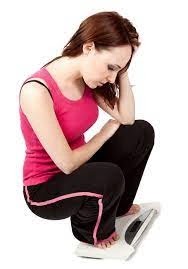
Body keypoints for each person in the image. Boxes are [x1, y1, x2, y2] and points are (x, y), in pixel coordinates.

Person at [18, 11, 155, 249]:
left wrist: (122, 69)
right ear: (89, 47)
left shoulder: (88, 78)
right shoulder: (36, 91)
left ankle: (118, 207)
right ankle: (91, 233)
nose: (112, 79)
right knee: (108, 176)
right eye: (110, 67)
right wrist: (104, 133)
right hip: (44, 189)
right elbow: (67, 164)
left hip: (80, 170)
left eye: (118, 71)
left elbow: (128, 118)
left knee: (140, 133)